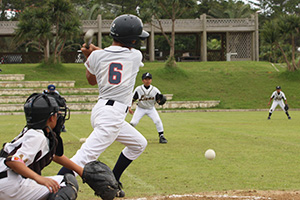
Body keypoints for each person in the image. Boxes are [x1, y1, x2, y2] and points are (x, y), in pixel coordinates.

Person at [58, 14, 149, 198]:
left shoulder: (97, 56)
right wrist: (94, 53)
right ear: (130, 39)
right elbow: (116, 56)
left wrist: (90, 55)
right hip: (113, 115)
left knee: (139, 144)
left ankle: (114, 180)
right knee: (83, 157)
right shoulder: (135, 56)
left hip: (101, 110)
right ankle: (52, 188)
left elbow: (91, 80)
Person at [0, 93, 83, 200]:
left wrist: (81, 171)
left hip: (6, 179)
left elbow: (54, 155)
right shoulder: (38, 137)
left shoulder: (32, 132)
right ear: (51, 118)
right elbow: (13, 161)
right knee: (65, 183)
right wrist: (39, 178)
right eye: (57, 114)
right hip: (9, 185)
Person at [129, 72, 168, 143]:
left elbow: (159, 99)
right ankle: (127, 136)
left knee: (157, 120)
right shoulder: (138, 89)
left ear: (151, 80)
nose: (147, 81)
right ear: (142, 80)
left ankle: (161, 136)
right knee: (133, 122)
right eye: (145, 79)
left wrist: (160, 101)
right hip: (140, 108)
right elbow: (133, 99)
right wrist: (129, 107)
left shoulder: (155, 90)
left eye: (149, 79)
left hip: (151, 109)